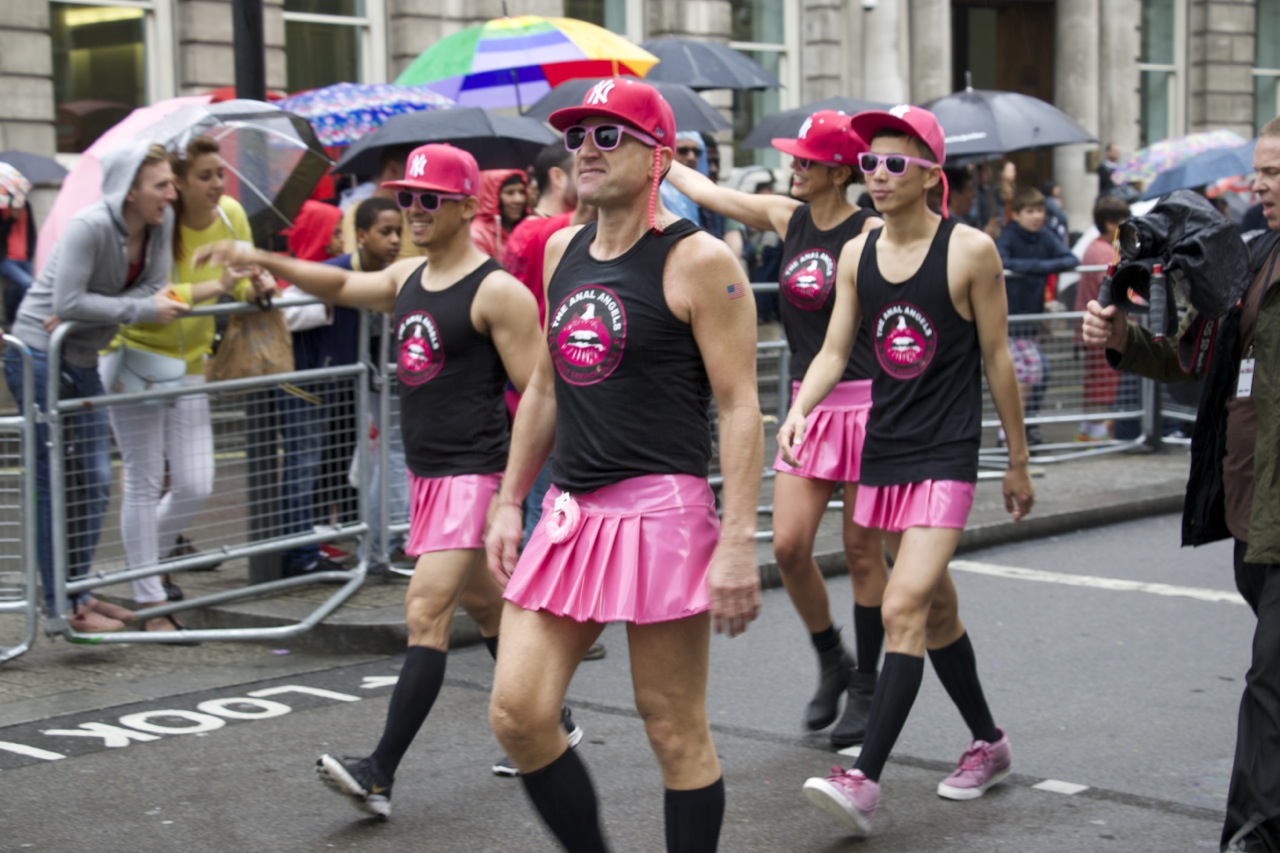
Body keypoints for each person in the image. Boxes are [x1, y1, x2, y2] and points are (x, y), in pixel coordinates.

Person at [196, 142, 550, 820]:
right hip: (428, 476)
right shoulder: (407, 276)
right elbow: (338, 286)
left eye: (428, 199)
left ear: (464, 205)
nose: (412, 210)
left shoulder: (497, 290)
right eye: (406, 197)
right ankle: (546, 711)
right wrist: (262, 258)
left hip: (473, 475)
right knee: (487, 606)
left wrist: (514, 493)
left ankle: (379, 772)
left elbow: (541, 393)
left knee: (425, 611)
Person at [484, 78, 763, 852]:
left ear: (659, 157)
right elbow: (543, 382)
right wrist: (510, 501)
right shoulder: (562, 249)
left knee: (673, 728)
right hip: (571, 511)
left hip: (661, 511)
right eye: (578, 137)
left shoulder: (702, 261)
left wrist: (739, 539)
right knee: (518, 711)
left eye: (609, 136)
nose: (585, 151)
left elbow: (741, 406)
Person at [785, 105, 1034, 835]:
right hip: (886, 451)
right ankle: (989, 742)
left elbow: (998, 360)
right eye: (869, 163)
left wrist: (1017, 462)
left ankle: (863, 778)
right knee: (940, 610)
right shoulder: (856, 255)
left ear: (931, 173)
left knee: (901, 607)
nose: (877, 176)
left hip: (946, 454)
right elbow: (834, 350)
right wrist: (802, 407)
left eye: (894, 163)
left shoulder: (969, 253)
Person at [1081, 118, 1280, 853]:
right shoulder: (1253, 255)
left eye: (1276, 173)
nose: (1261, 186)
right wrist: (1122, 339)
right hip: (1250, 498)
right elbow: (1197, 354)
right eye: (1260, 172)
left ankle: (1256, 830)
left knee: (1270, 678)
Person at [666, 109, 889, 747]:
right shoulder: (786, 218)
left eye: (806, 160)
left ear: (839, 171)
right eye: (794, 158)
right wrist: (651, 149)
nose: (794, 167)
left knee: (861, 553)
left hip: (869, 403)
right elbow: (709, 193)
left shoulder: (870, 230)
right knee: (789, 546)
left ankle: (869, 690)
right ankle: (832, 659)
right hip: (806, 404)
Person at [7, 141, 190, 632]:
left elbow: (156, 287)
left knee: (94, 482)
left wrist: (101, 303)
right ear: (129, 190)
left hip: (81, 354)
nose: (173, 193)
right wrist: (133, 307)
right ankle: (61, 610)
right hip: (37, 355)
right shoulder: (88, 226)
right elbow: (70, 301)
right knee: (58, 482)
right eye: (161, 184)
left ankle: (78, 592)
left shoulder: (159, 224)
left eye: (172, 183)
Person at [99, 135, 260, 630]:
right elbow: (147, 297)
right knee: (145, 482)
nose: (217, 185)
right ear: (179, 184)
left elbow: (249, 273)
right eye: (204, 176)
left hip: (190, 364)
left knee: (195, 482)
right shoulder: (156, 225)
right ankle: (152, 602)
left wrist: (260, 283)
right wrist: (218, 285)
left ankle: (147, 566)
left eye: (220, 175)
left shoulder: (232, 214)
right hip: (136, 359)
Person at [276, 200, 351, 578]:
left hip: (320, 386)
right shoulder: (300, 285)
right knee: (301, 467)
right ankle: (299, 551)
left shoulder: (323, 276)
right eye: (335, 232)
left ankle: (306, 540)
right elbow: (285, 316)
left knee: (313, 464)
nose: (341, 240)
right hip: (301, 389)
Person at [995, 186, 1078, 446]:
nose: (1037, 216)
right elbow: (1001, 261)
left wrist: (1033, 269)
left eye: (1040, 210)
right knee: (1030, 371)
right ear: (1017, 215)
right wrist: (1038, 269)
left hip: (1031, 322)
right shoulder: (1008, 235)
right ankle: (1008, 433)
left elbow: (1069, 258)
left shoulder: (1045, 236)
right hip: (1008, 320)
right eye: (1030, 211)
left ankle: (1027, 425)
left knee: (1042, 370)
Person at [1073, 195, 1129, 442]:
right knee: (1103, 382)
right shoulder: (1103, 252)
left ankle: (1090, 430)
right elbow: (1113, 288)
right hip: (1100, 326)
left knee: (1097, 381)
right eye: (1124, 221)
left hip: (1092, 324)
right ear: (1110, 224)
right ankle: (1095, 433)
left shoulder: (1097, 248)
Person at [470, 169, 528, 260]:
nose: (519, 200)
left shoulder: (524, 228)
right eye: (510, 193)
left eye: (522, 192)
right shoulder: (478, 235)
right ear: (491, 197)